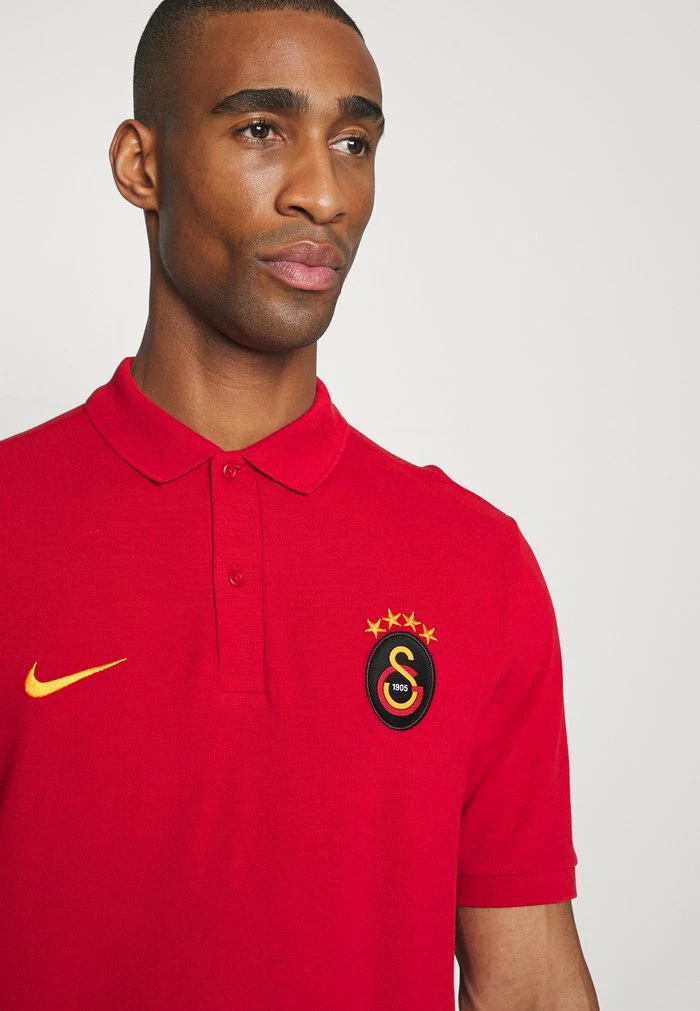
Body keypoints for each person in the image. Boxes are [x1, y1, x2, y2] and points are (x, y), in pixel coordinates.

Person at [0, 1, 599, 1008]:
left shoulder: (476, 562)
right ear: (142, 166)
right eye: (260, 129)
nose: (323, 193)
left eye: (353, 142)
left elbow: (530, 984)